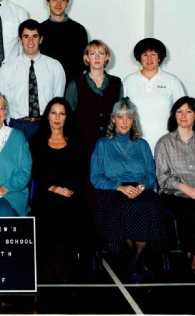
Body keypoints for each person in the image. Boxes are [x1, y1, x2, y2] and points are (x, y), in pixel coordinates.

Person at [90, 97, 165, 283]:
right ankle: (139, 262)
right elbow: (95, 177)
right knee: (125, 207)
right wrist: (120, 187)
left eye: (129, 117)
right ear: (113, 119)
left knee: (149, 206)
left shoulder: (142, 144)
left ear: (133, 121)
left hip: (140, 189)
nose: (124, 122)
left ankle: (134, 262)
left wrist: (141, 187)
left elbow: (151, 175)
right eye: (120, 117)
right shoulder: (102, 144)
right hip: (113, 190)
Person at [29, 97, 88, 282]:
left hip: (71, 192)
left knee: (69, 208)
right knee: (49, 207)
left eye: (61, 114)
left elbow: (81, 172)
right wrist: (53, 187)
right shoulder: (37, 141)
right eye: (53, 113)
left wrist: (68, 189)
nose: (57, 117)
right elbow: (36, 172)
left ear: (67, 117)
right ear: (47, 116)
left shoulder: (77, 140)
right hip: (47, 191)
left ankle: (63, 265)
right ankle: (48, 265)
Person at [65, 40, 123, 211]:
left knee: (109, 189)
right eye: (92, 53)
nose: (97, 57)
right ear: (87, 58)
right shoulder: (75, 84)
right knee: (86, 188)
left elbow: (120, 116)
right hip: (83, 146)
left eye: (101, 53)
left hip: (110, 145)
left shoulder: (116, 83)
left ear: (107, 58)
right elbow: (68, 119)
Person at [0, 19, 66, 143]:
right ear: (20, 40)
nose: (30, 41)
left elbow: (58, 102)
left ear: (41, 39)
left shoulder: (55, 67)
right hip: (17, 125)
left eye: (35, 36)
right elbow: (3, 102)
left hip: (45, 125)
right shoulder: (7, 69)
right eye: (26, 36)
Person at [123, 38, 186, 154]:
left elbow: (184, 112)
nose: (149, 59)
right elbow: (119, 114)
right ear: (139, 58)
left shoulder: (172, 81)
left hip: (167, 144)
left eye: (153, 54)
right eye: (145, 55)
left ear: (159, 57)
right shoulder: (128, 81)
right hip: (134, 144)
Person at [155, 96, 195, 273]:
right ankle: (192, 254)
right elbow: (162, 177)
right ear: (174, 115)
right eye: (179, 111)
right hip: (174, 193)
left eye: (189, 111)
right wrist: (187, 189)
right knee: (189, 209)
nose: (183, 115)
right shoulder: (164, 142)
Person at [40, 0, 88, 86]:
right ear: (47, 2)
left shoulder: (79, 30)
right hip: (46, 83)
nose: (58, 4)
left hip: (72, 84)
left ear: (67, 4)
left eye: (63, 0)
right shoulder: (39, 30)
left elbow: (85, 61)